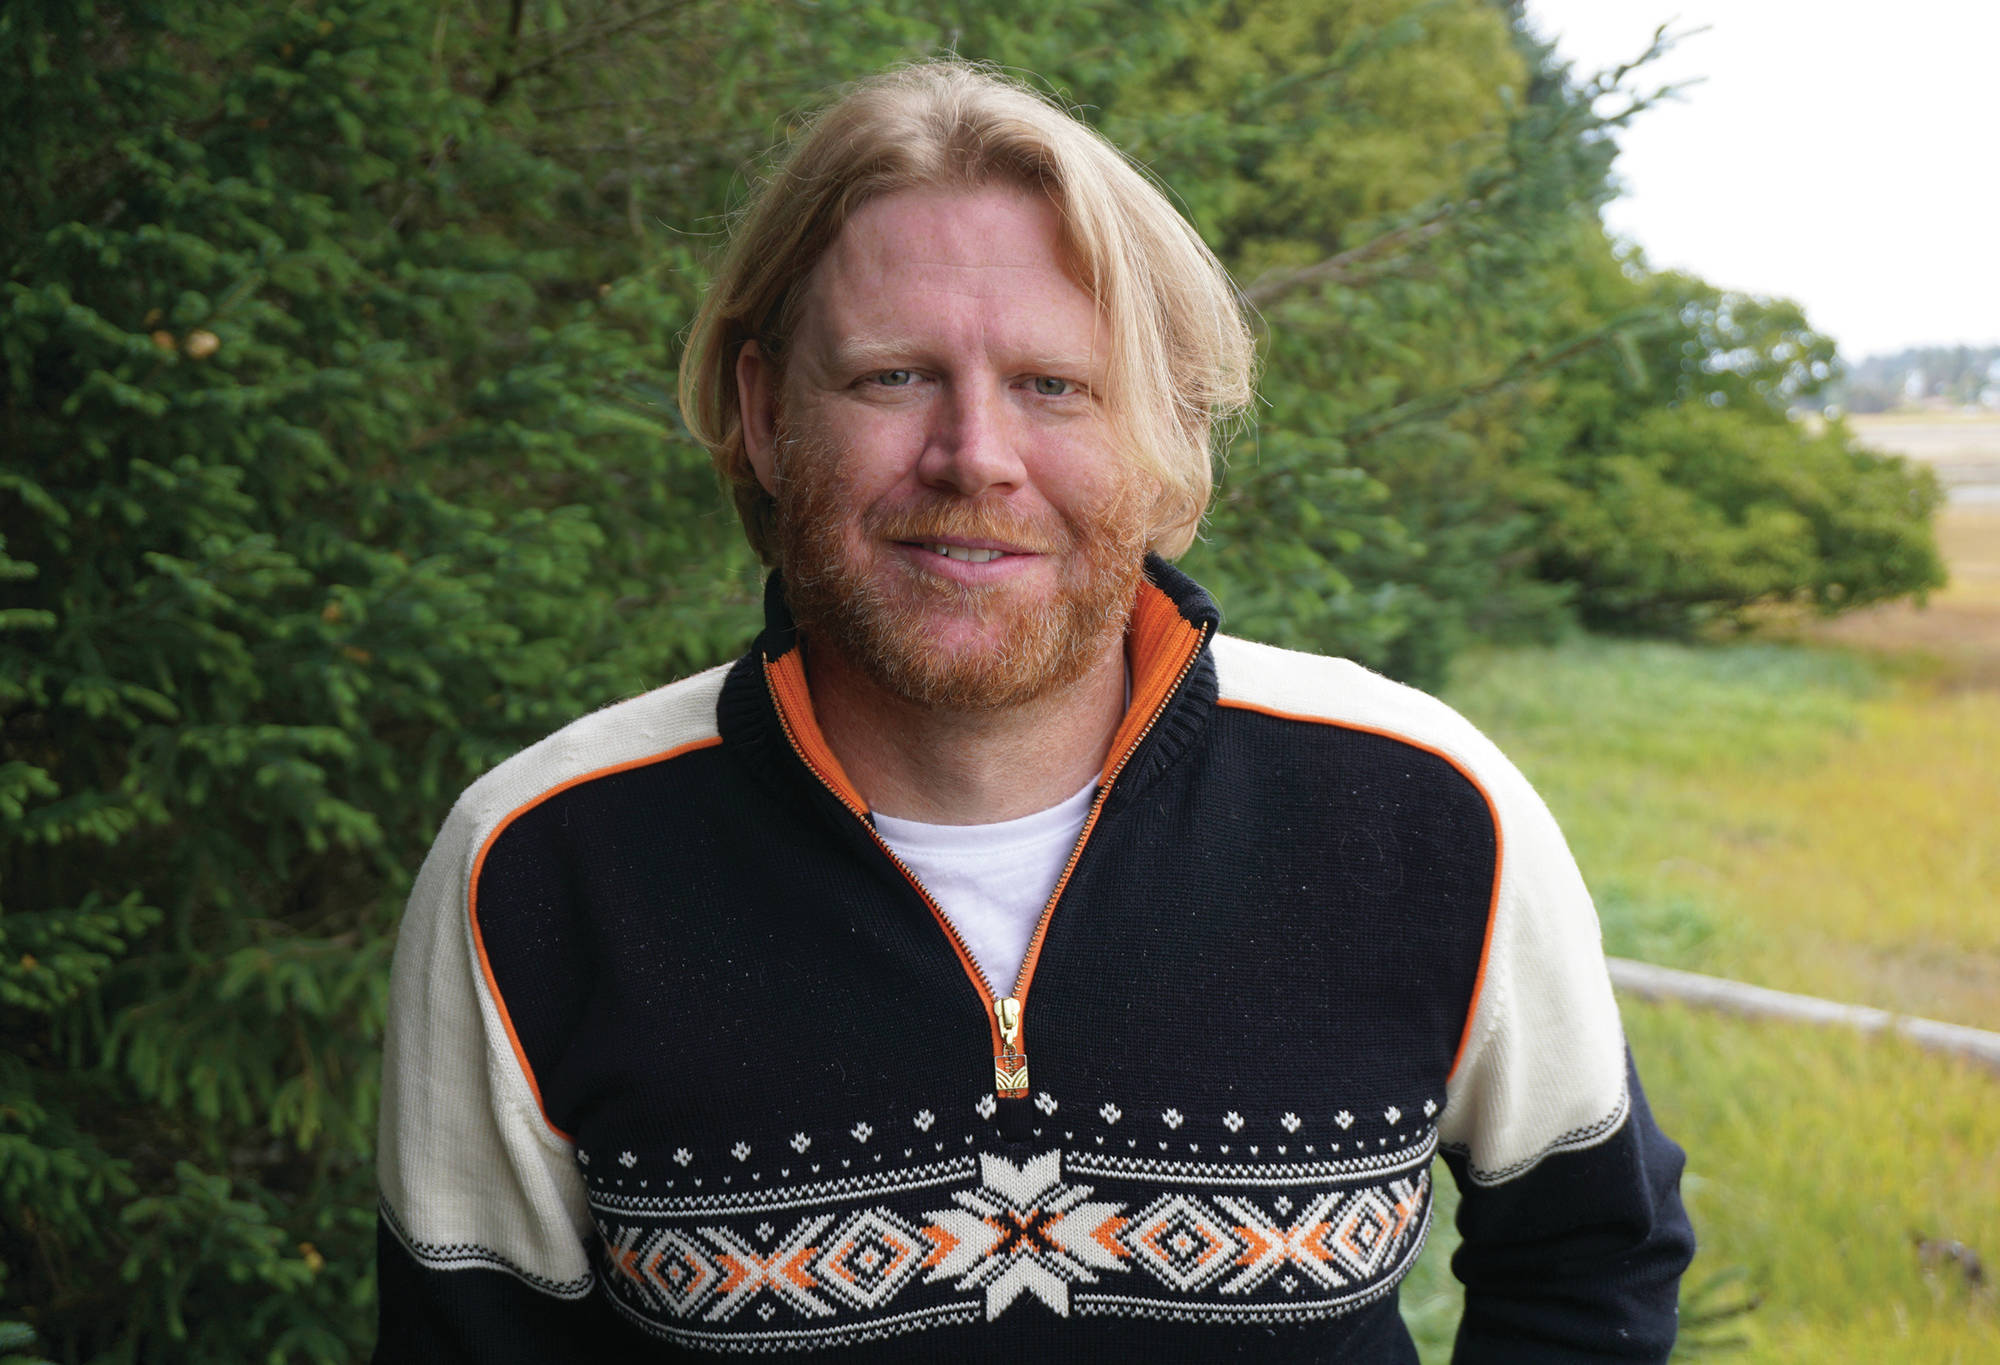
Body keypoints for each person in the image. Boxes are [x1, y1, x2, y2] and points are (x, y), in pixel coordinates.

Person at [374, 59, 1693, 1362]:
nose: (976, 458)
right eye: (894, 377)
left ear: (1161, 429)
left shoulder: (1427, 809)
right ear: (768, 415)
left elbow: (1591, 1259)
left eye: (1055, 385)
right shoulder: (537, 866)